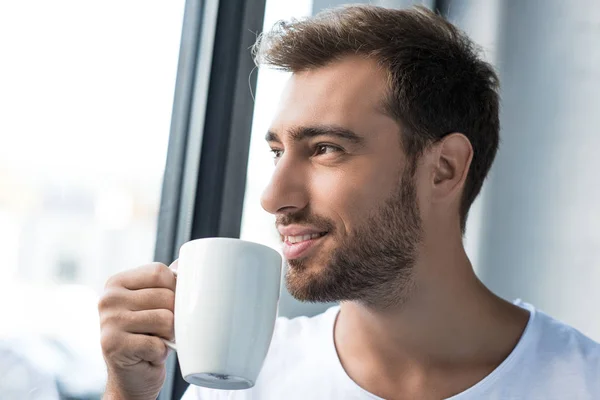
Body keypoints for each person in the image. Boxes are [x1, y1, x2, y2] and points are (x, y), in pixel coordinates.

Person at [98, 5, 600, 400]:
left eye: (325, 149)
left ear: (443, 168)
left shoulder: (584, 384)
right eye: (277, 152)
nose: (274, 197)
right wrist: (126, 394)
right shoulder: (241, 383)